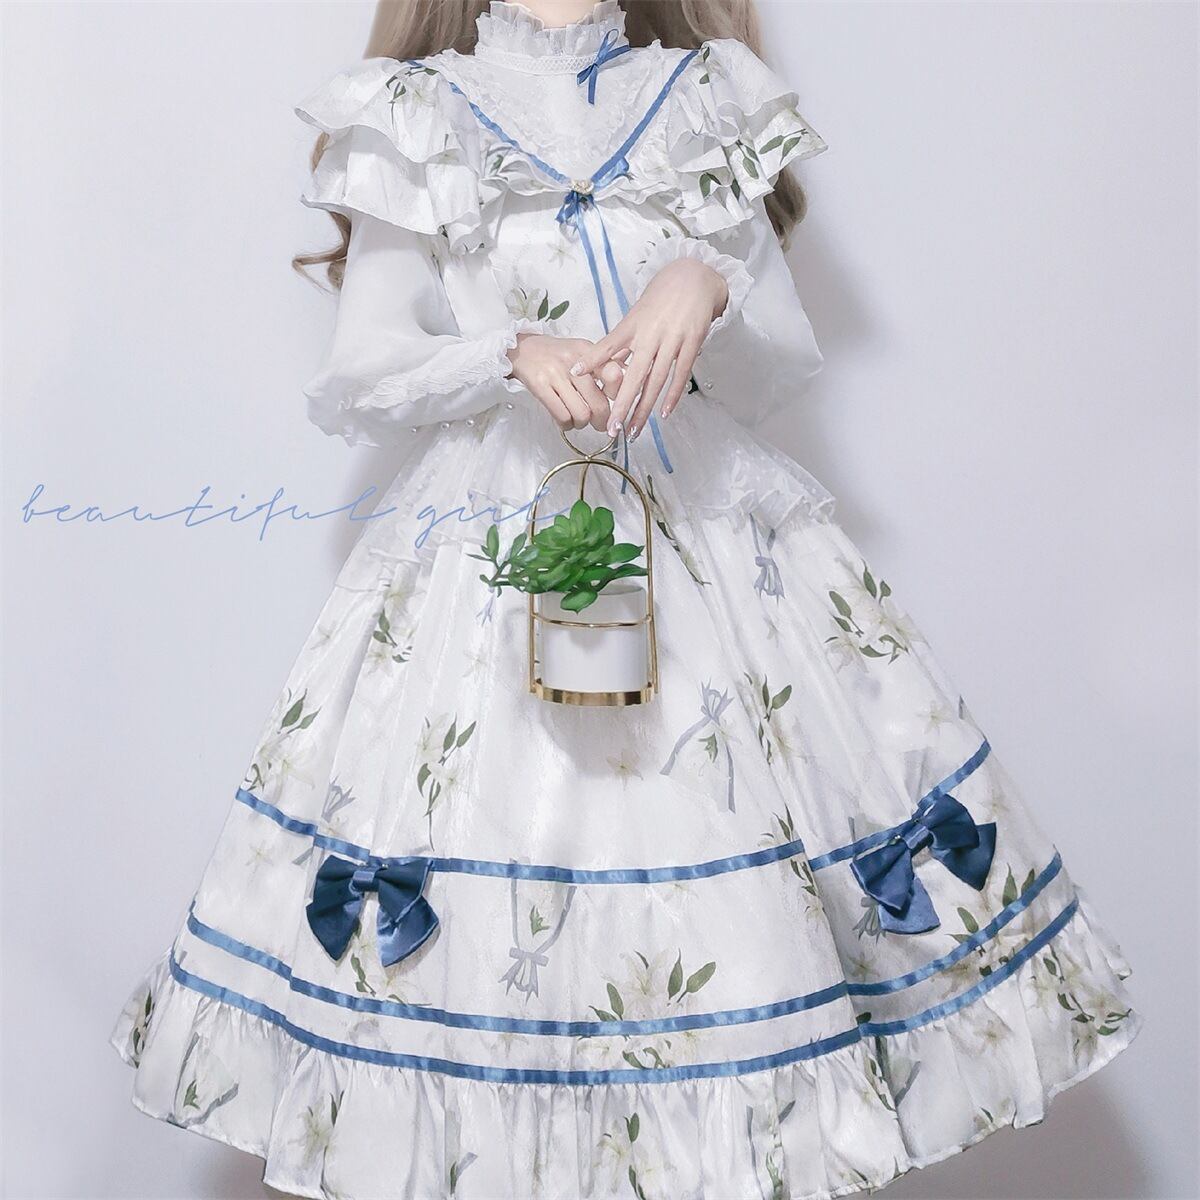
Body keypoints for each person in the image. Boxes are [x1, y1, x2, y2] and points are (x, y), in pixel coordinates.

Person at [110, 3, 1140, 1197]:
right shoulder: (418, 109)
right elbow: (364, 370)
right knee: (489, 900)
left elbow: (771, 368)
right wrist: (510, 354)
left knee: (728, 891)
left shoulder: (706, 96)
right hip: (495, 545)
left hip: (695, 539)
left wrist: (706, 282)